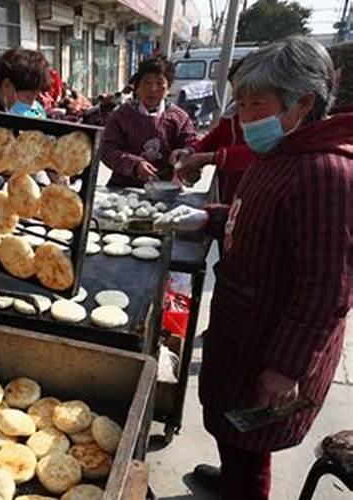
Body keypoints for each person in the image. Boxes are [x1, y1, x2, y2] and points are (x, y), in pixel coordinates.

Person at [155, 36, 353, 500]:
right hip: (243, 327)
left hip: (270, 345)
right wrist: (211, 217)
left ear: (302, 102)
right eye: (240, 104)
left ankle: (244, 490)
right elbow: (262, 223)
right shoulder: (280, 153)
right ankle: (232, 479)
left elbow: (327, 289)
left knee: (250, 445)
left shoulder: (325, 173)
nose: (244, 118)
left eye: (255, 104)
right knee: (235, 433)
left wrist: (286, 368)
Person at [101, 55, 197, 187]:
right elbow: (107, 149)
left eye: (160, 83)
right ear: (137, 86)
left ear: (168, 88)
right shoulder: (121, 116)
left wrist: (185, 156)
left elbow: (192, 145)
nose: (153, 89)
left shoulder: (179, 118)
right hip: (123, 186)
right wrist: (135, 165)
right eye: (147, 82)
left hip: (165, 189)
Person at [170, 59, 256, 204]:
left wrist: (210, 158)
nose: (238, 95)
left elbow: (258, 152)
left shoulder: (274, 117)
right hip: (228, 191)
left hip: (253, 192)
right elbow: (215, 138)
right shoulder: (233, 111)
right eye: (236, 88)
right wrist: (191, 150)